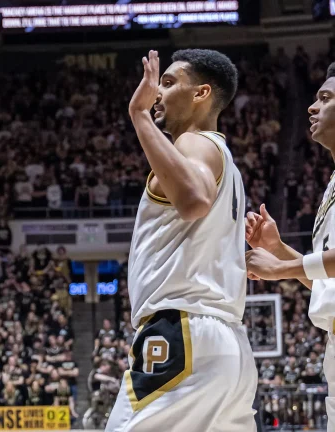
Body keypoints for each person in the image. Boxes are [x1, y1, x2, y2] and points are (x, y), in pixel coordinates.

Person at [105, 50, 256, 431]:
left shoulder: (194, 144)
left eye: (169, 83)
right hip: (227, 344)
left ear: (202, 93)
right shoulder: (226, 161)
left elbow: (194, 200)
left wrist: (139, 117)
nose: (156, 91)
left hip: (183, 335)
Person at [244, 61, 335, 431]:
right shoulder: (331, 184)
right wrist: (280, 248)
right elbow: (326, 278)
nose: (312, 107)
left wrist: (281, 269)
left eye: (326, 98)